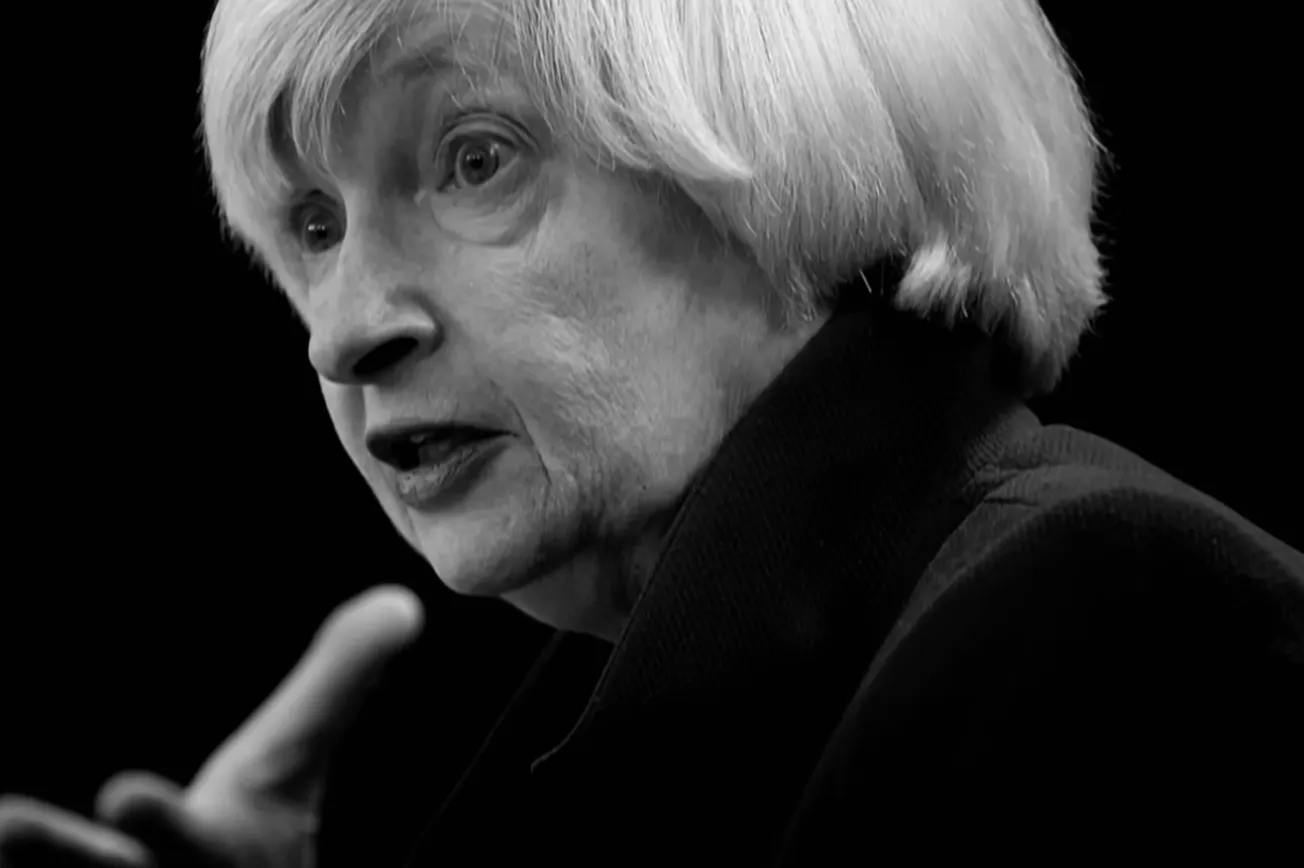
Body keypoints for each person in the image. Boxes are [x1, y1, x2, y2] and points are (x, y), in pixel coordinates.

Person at [2, 0, 1301, 864]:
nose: (341, 334)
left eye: (475, 157)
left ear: (794, 156)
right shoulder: (625, 733)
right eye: (314, 225)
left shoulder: (1117, 621)